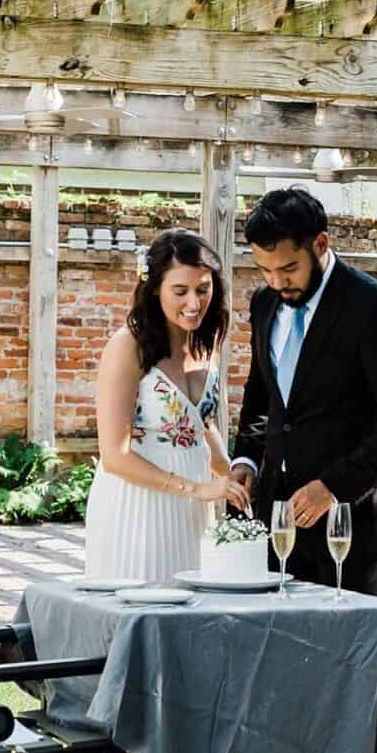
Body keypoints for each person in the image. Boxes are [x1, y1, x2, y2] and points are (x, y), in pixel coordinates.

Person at [231, 187, 377, 595]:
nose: (276, 282)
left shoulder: (374, 309)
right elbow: (261, 393)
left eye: (288, 268)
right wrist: (247, 460)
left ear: (320, 244)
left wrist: (334, 487)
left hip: (346, 526)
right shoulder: (264, 304)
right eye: (265, 270)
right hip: (274, 518)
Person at [86, 228, 250, 581]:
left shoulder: (207, 345)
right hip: (137, 504)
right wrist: (199, 488)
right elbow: (115, 456)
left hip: (191, 509)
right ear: (154, 288)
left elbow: (199, 422)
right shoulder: (127, 347)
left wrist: (228, 471)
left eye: (203, 290)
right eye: (180, 291)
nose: (194, 303)